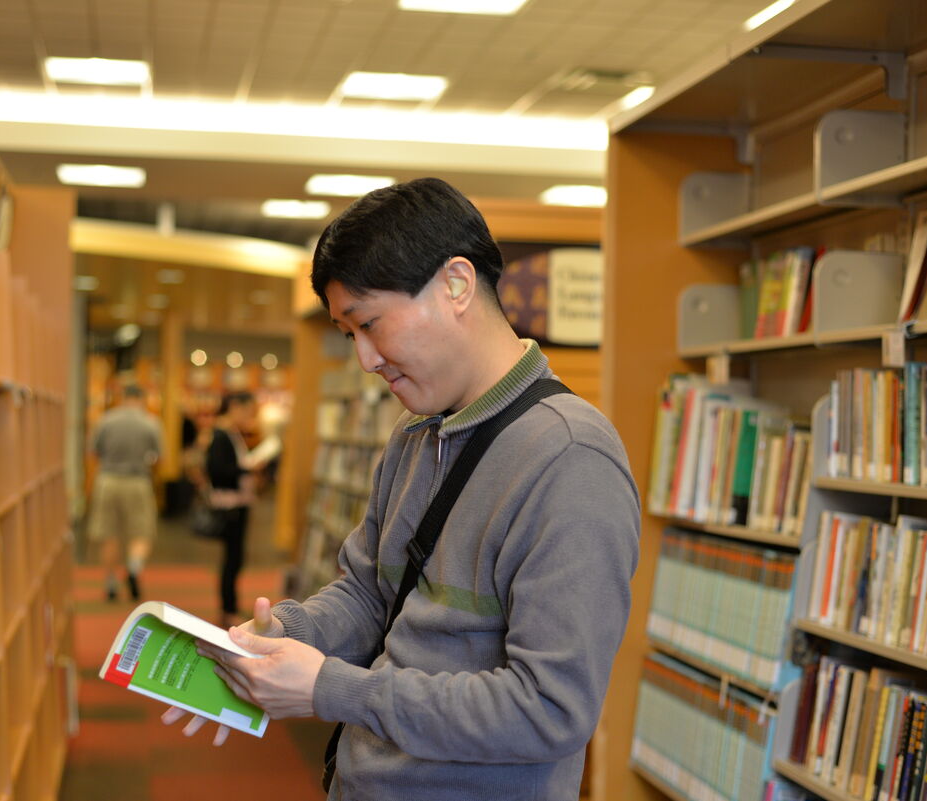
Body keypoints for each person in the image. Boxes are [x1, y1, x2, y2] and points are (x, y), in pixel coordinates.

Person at [165, 177, 641, 801]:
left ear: (456, 285)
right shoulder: (415, 435)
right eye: (348, 335)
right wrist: (283, 638)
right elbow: (371, 594)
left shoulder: (571, 460)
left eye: (370, 324)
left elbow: (548, 709)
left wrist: (329, 688)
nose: (366, 359)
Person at [88, 383, 162, 601]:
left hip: (108, 480)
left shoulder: (106, 420)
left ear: (122, 397)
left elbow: (93, 452)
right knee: (142, 531)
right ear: (142, 398)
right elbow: (160, 457)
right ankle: (133, 568)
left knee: (109, 533)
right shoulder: (150, 423)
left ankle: (110, 581)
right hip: (138, 481)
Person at [197, 391, 261, 627]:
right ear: (234, 406)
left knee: (235, 558)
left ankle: (230, 606)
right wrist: (245, 469)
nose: (249, 416)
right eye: (247, 410)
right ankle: (228, 608)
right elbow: (217, 470)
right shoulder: (221, 435)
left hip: (237, 503)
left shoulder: (228, 433)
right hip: (230, 505)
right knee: (232, 559)